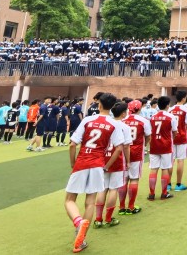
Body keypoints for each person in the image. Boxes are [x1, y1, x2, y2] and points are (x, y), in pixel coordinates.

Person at [64, 93, 124, 253]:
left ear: (99, 105)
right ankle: (80, 240)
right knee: (90, 202)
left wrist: (73, 163)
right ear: (112, 107)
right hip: (99, 164)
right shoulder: (115, 123)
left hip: (82, 161)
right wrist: (106, 165)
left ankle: (78, 223)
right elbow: (119, 148)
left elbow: (72, 144)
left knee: (69, 200)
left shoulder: (88, 120)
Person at [93, 101, 131, 229]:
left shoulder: (105, 123)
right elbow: (125, 146)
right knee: (113, 189)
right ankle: (108, 218)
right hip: (116, 159)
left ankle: (98, 219)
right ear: (124, 113)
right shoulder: (124, 127)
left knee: (102, 188)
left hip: (103, 158)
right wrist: (129, 161)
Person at [118, 100, 150, 215]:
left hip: (122, 152)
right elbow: (148, 136)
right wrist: (143, 145)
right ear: (140, 109)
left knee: (123, 179)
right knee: (134, 178)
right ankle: (131, 206)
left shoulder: (122, 120)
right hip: (136, 152)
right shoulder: (143, 121)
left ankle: (121, 207)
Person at [148, 96, 178, 201]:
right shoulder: (171, 117)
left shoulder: (153, 117)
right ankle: (164, 193)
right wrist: (171, 140)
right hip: (166, 145)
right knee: (165, 168)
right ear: (167, 105)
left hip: (154, 145)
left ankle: (151, 194)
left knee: (153, 169)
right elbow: (175, 132)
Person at [167, 90, 187, 192]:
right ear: (184, 98)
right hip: (182, 137)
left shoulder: (170, 109)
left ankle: (168, 184)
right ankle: (178, 184)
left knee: (171, 161)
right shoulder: (186, 110)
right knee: (180, 160)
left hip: (171, 137)